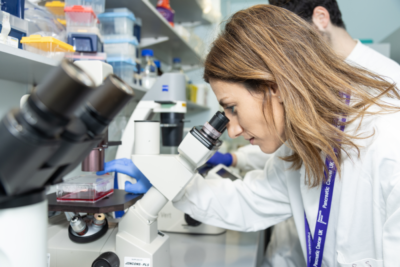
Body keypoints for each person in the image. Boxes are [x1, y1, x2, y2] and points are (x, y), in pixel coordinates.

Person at [100, 5, 400, 267]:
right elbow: (249, 201)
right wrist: (168, 184)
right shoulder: (302, 148)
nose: (232, 130)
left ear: (274, 86)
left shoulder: (389, 143)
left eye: (232, 108)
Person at [207, 0, 400, 174]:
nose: (287, 53)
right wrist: (237, 158)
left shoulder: (387, 89)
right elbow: (289, 151)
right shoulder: (307, 99)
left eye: (290, 36)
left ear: (320, 19)